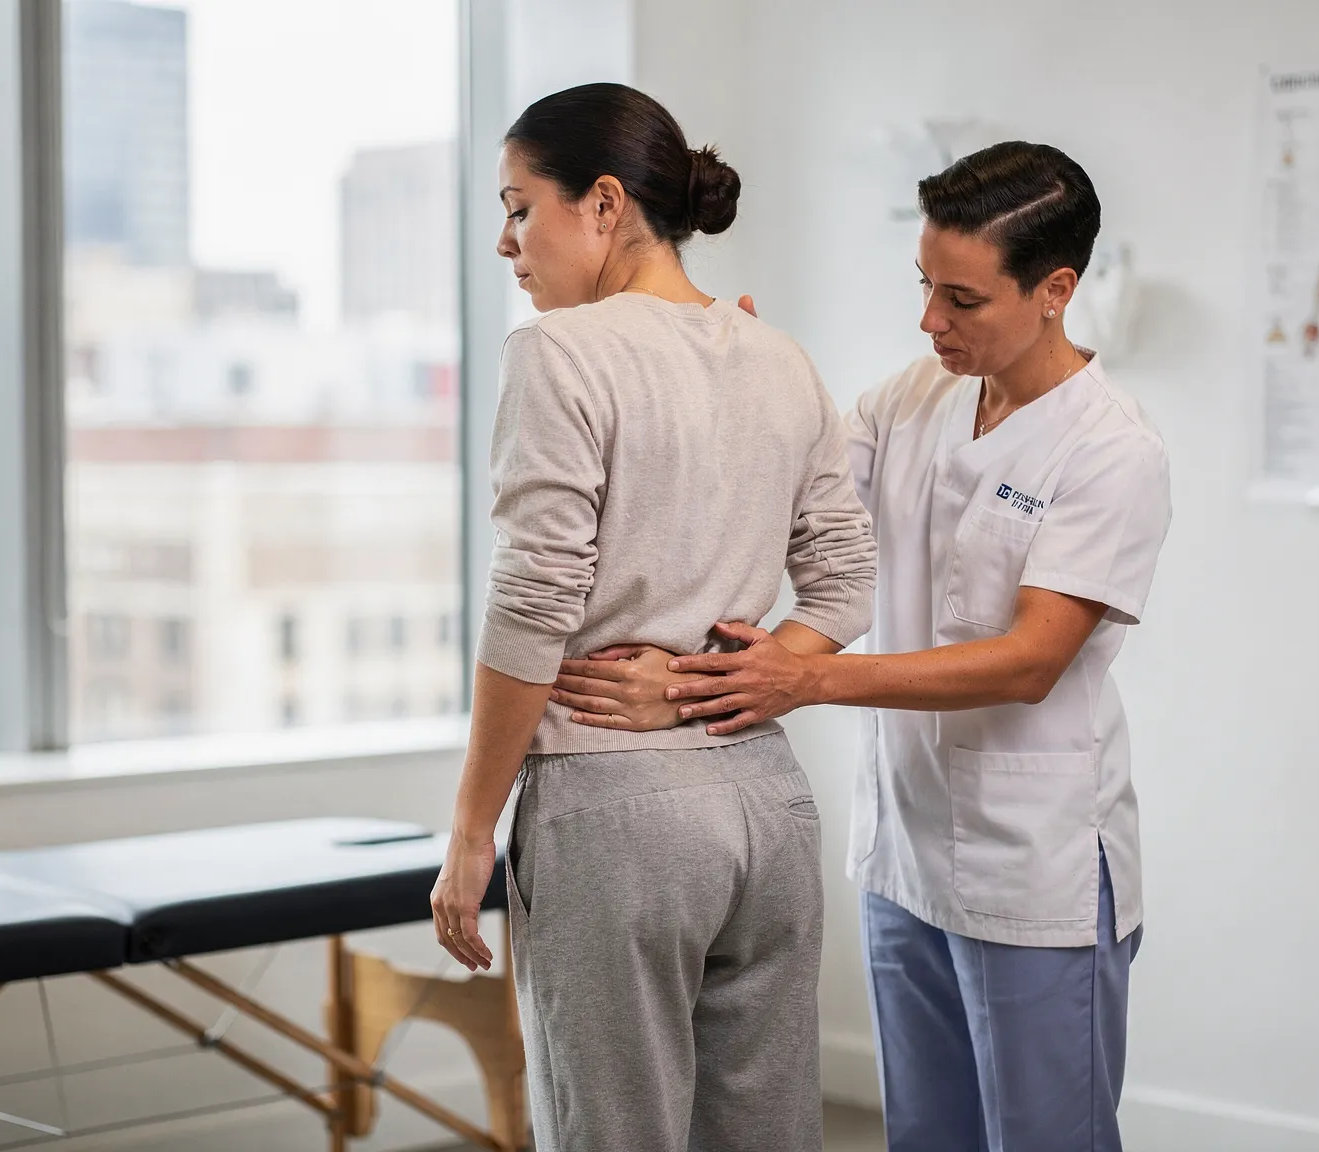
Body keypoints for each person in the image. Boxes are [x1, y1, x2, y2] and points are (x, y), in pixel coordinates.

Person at [553, 142, 1171, 1152]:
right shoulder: (905, 401)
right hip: (904, 850)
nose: (929, 321)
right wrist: (728, 385)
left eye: (961, 300)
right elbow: (787, 492)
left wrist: (803, 677)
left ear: (1054, 289)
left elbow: (1029, 661)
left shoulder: (1109, 449)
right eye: (924, 287)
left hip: (1033, 865)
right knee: (923, 1135)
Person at [426, 82, 876, 1152]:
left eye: (518, 206)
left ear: (603, 204)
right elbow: (846, 583)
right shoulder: (779, 357)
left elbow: (532, 607)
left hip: (616, 811)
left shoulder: (560, 354)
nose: (505, 241)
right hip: (766, 806)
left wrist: (470, 831)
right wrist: (715, 683)